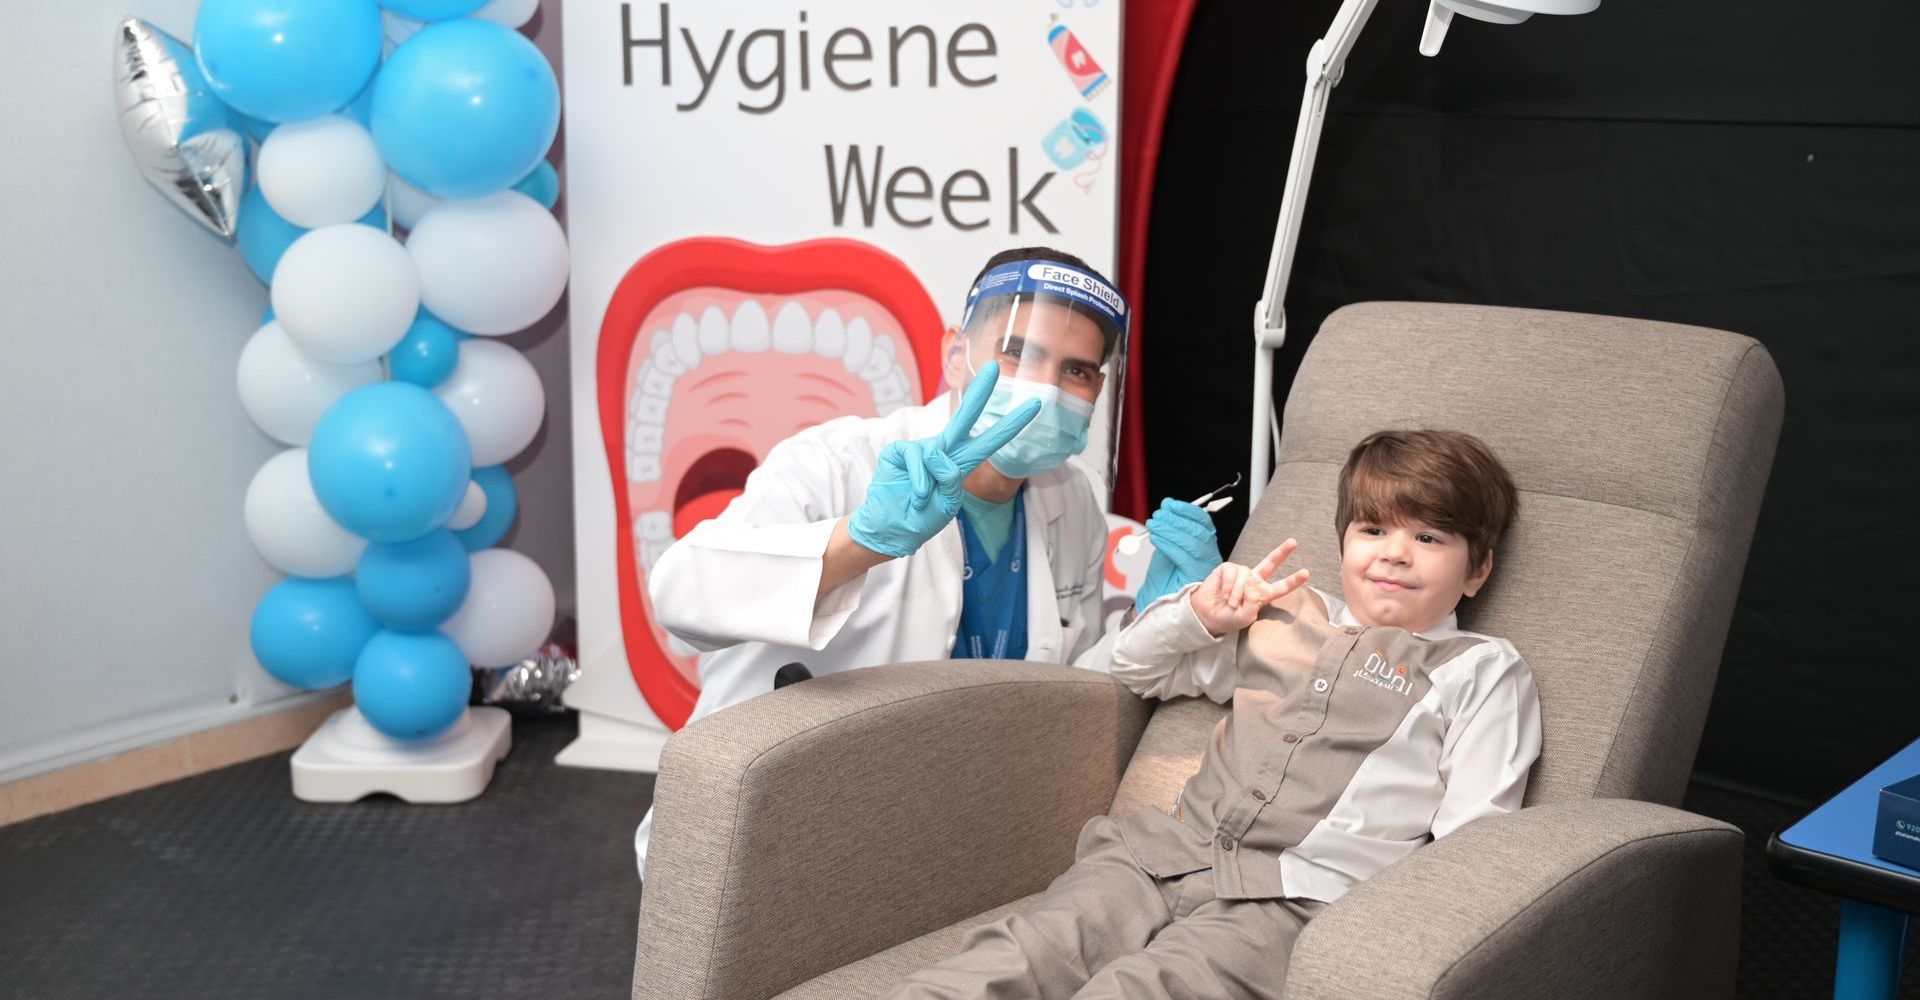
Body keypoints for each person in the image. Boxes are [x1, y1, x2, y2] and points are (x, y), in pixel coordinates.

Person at [883, 429, 1540, 1000]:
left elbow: (1471, 845)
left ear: (1476, 570)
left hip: (1291, 903)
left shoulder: (1478, 667)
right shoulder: (1279, 613)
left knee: (1140, 990)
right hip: (1158, 859)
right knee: (1013, 959)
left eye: (1428, 537)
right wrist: (1201, 614)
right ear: (1343, 544)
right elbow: (1135, 668)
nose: (1394, 552)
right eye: (1373, 530)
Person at [636, 248, 1222, 876]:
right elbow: (679, 593)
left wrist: (1154, 617)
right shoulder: (839, 462)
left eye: (1077, 371)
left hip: (936, 830)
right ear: (954, 354)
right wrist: (861, 541)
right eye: (1017, 352)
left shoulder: (1070, 498)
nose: (1044, 389)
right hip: (771, 826)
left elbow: (1063, 690)